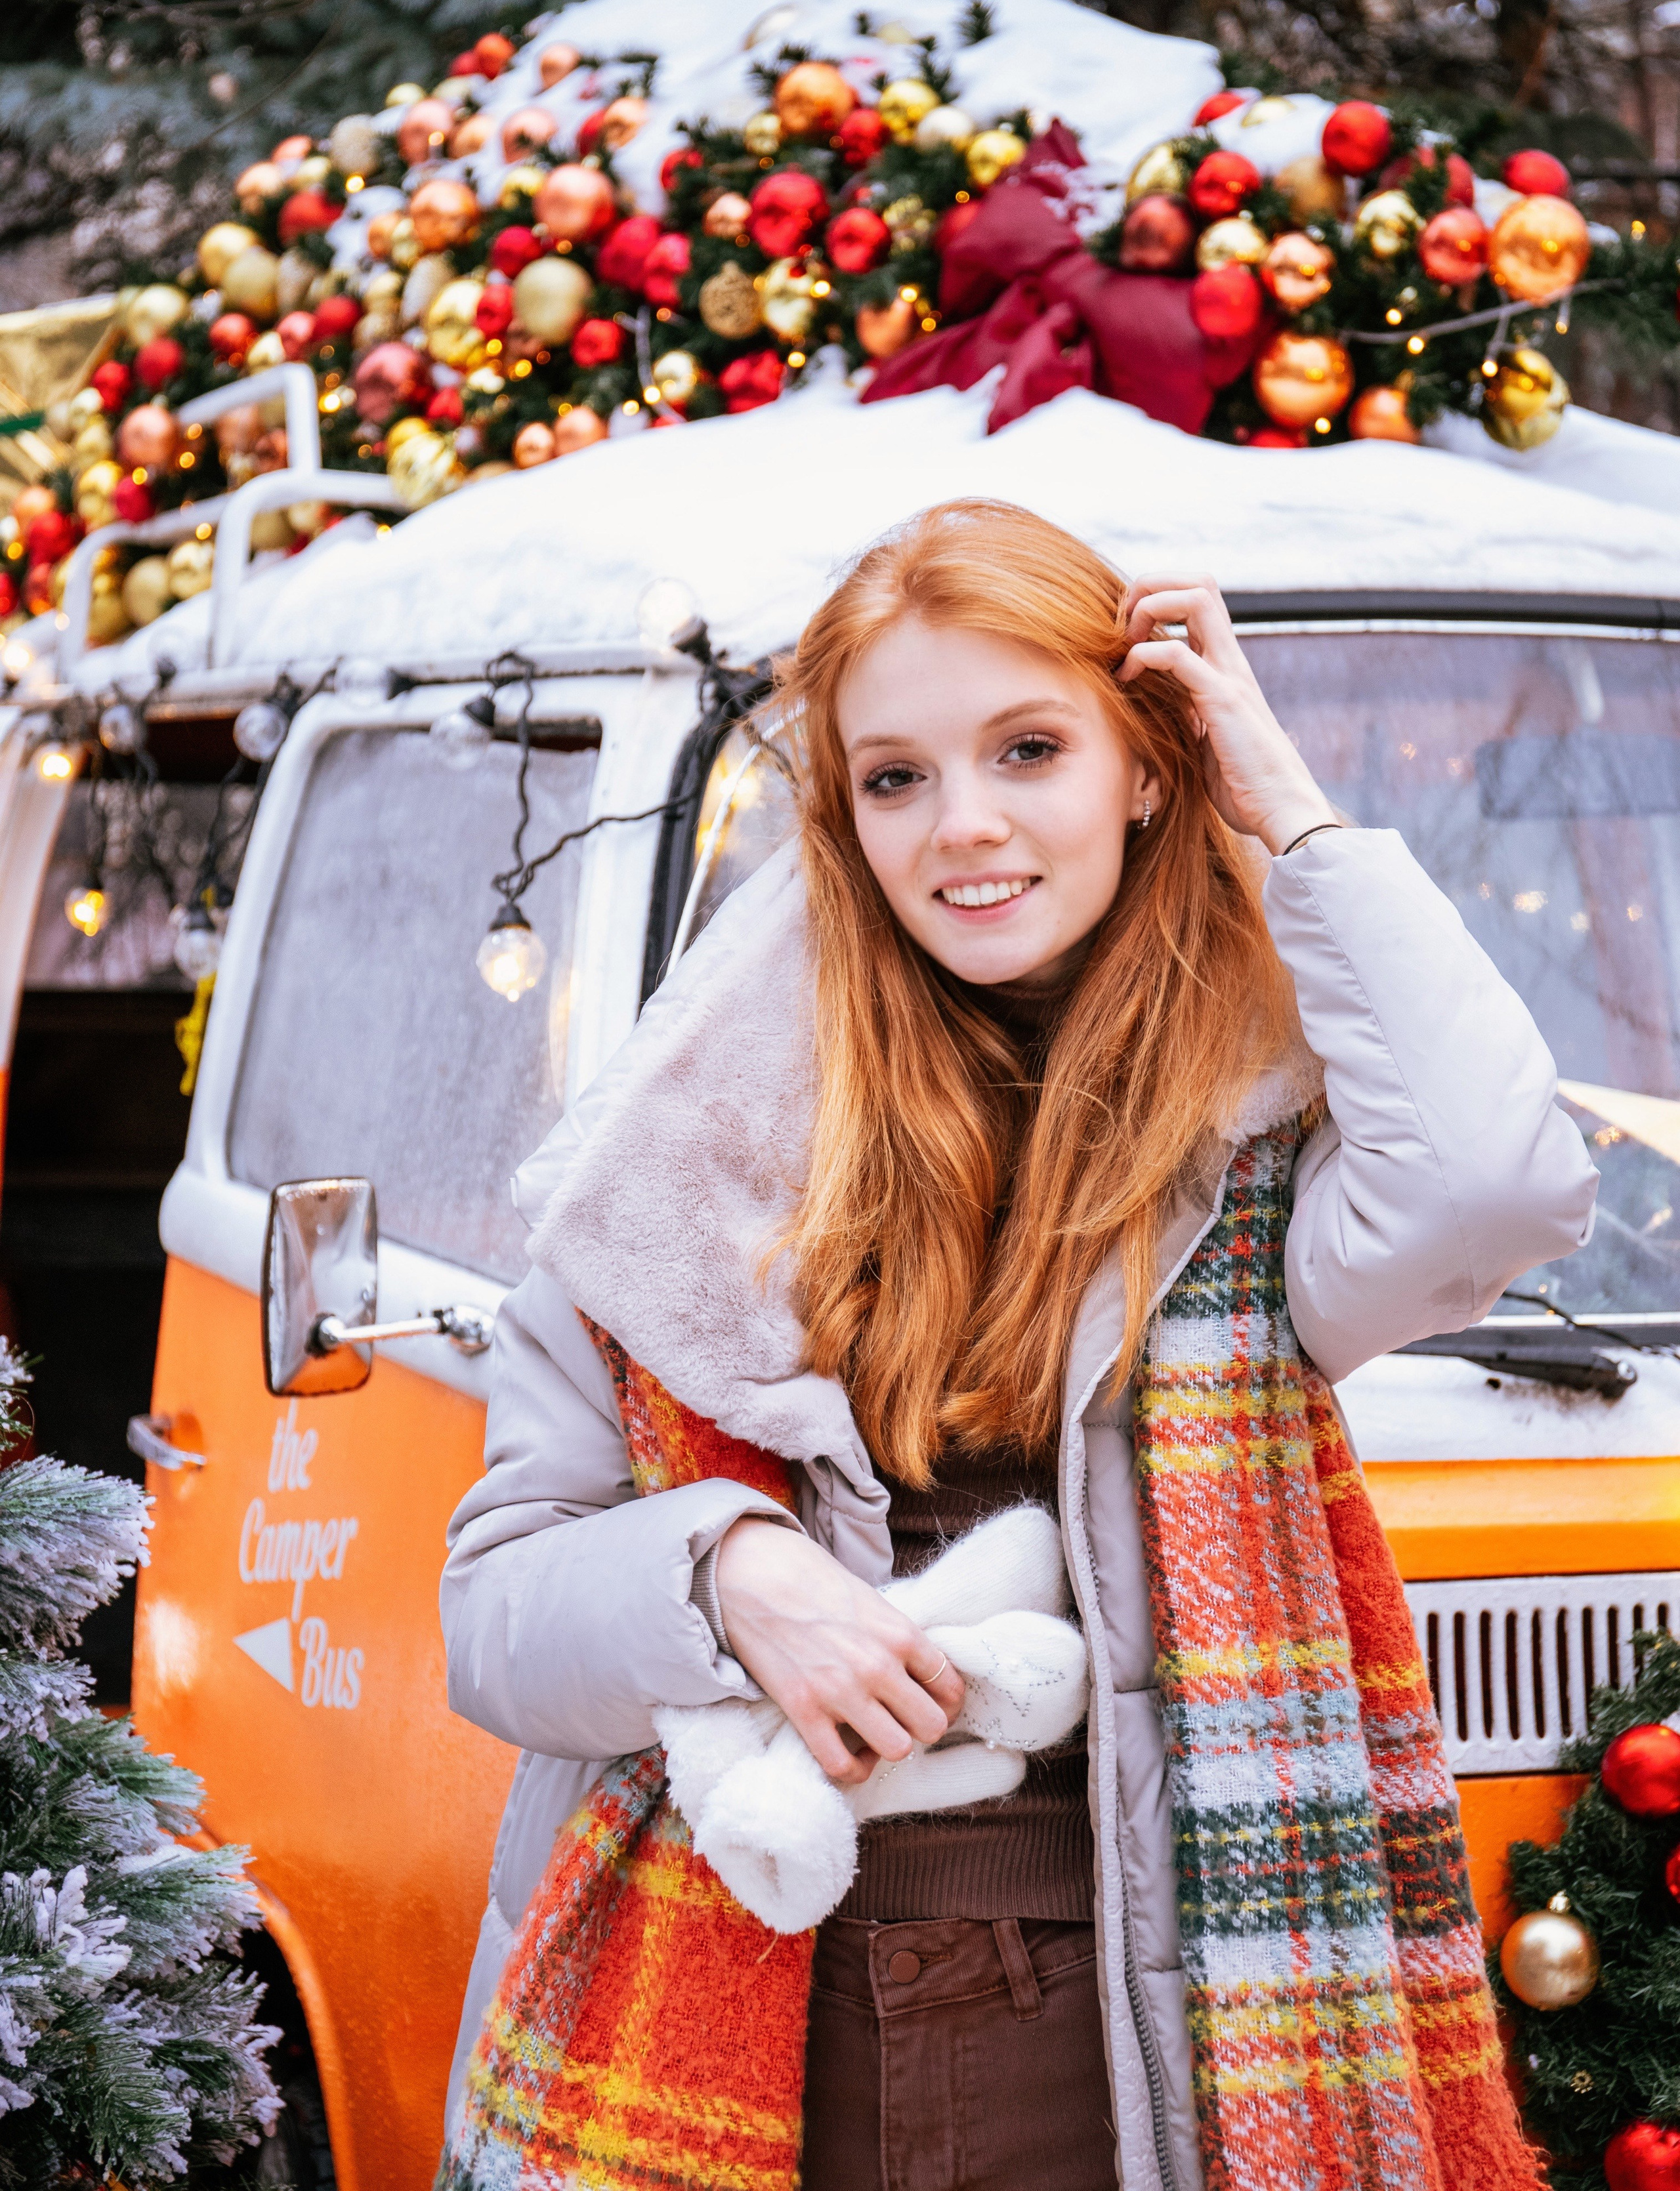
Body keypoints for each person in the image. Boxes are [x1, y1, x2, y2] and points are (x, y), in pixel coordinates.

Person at [436, 500, 1597, 2191]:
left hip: (1162, 2032)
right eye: (896, 777)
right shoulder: (682, 1156)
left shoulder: (1259, 1152)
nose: (962, 827)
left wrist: (1283, 797)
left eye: (1030, 748)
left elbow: (1499, 1186)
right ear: (844, 816)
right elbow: (493, 1620)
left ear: (1147, 764)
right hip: (755, 1991)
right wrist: (724, 1576)